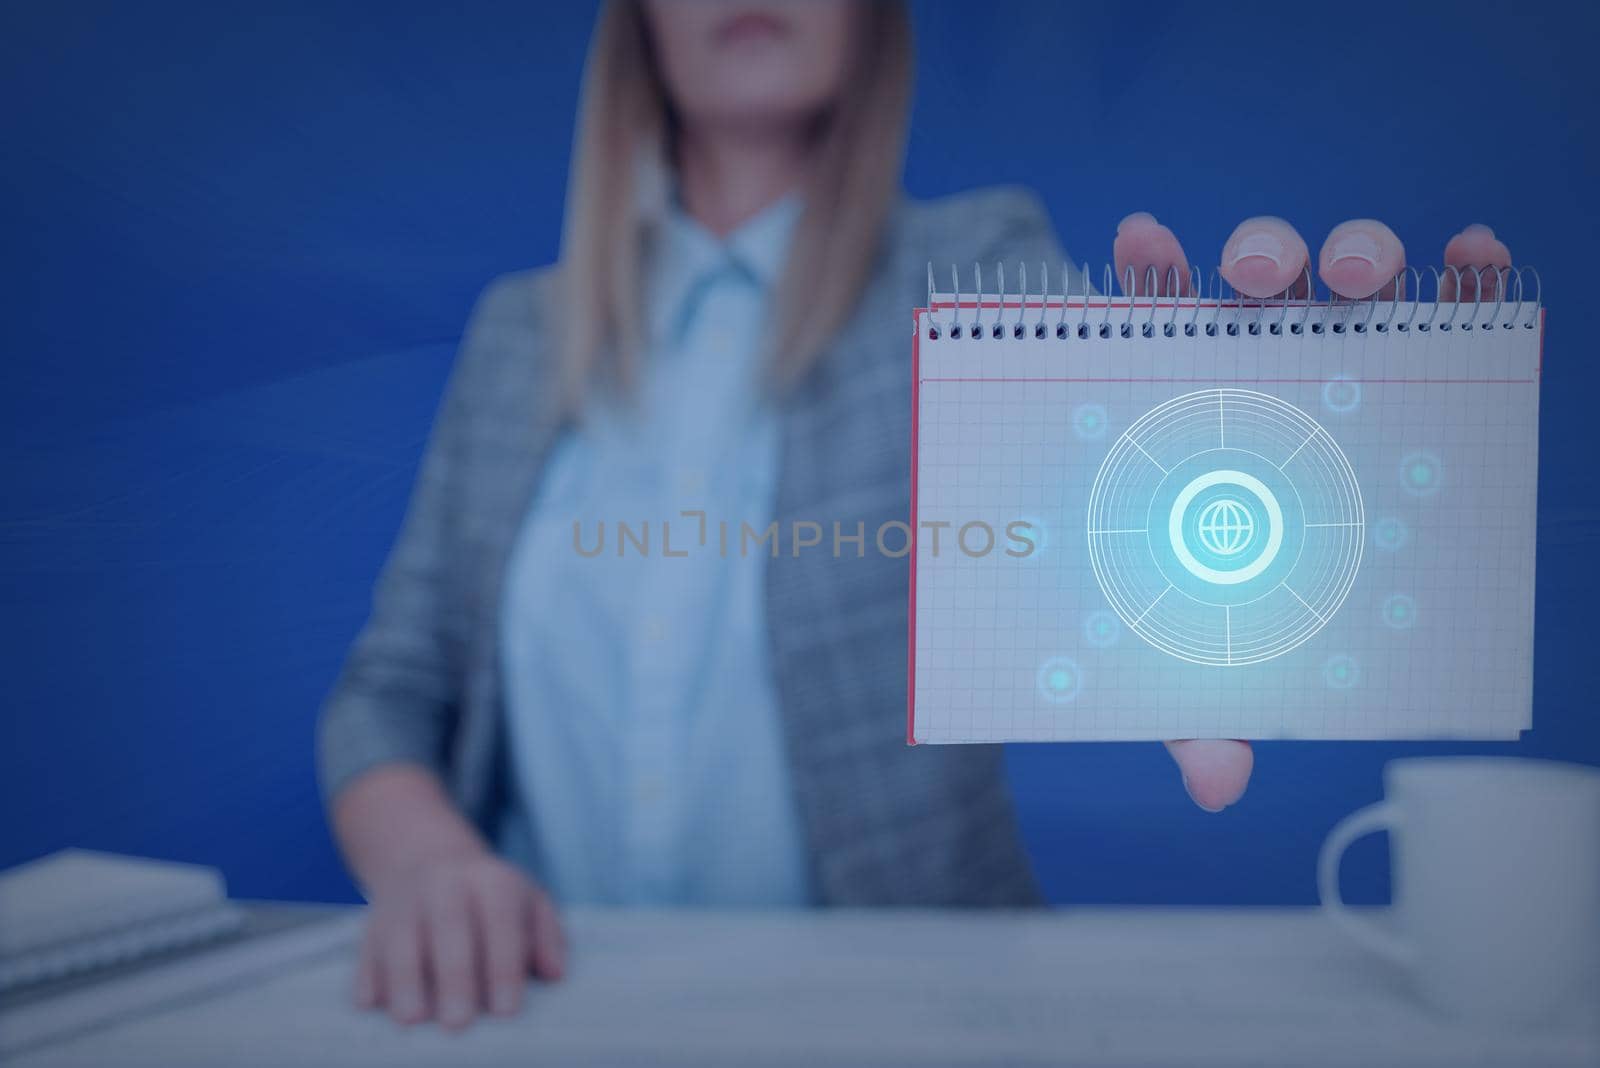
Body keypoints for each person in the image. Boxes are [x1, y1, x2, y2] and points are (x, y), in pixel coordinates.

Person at [318, 0, 1514, 1031]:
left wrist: (1272, 401)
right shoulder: (516, 334)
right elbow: (389, 688)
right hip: (540, 1011)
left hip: (900, 1015)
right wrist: (425, 860)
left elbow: (1120, 475)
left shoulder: (976, 272)